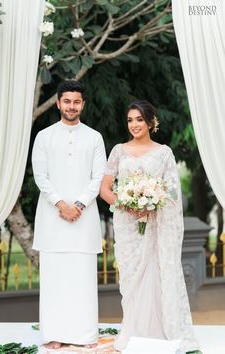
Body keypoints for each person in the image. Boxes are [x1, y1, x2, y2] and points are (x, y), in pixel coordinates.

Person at [100, 100, 199, 353]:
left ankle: (159, 331)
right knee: (132, 277)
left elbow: (172, 191)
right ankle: (134, 331)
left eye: (139, 119)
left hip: (156, 226)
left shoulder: (164, 152)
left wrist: (153, 202)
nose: (134, 124)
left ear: (150, 122)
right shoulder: (119, 151)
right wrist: (127, 204)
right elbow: (105, 189)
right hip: (128, 226)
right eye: (130, 120)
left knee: (156, 272)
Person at [32, 80, 106, 349]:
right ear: (58, 103)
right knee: (54, 279)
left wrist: (79, 205)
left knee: (82, 279)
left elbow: (98, 177)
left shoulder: (94, 137)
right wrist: (61, 205)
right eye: (67, 101)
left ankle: (85, 336)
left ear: (82, 105)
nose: (71, 106)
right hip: (52, 219)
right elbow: (41, 176)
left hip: (83, 220)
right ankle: (54, 334)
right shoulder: (44, 136)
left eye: (76, 102)